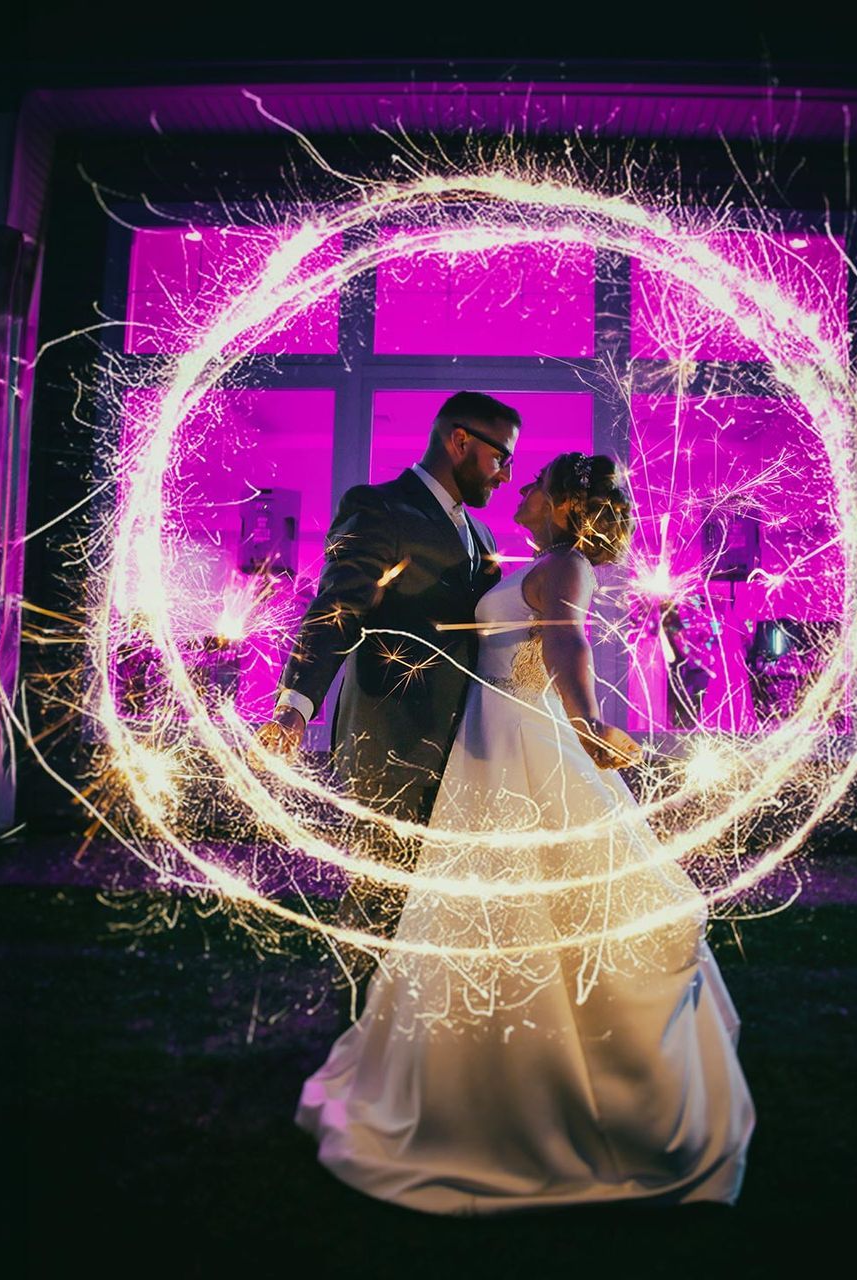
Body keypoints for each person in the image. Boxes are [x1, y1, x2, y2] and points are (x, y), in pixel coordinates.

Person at [294, 451, 755, 1215]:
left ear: (569, 507)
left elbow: (568, 641)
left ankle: (552, 1101)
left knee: (544, 900)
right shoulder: (535, 560)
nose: (524, 490)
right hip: (492, 745)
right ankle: (486, 1082)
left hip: (529, 743)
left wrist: (587, 721)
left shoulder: (566, 564)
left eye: (537, 484)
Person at [256, 391, 521, 969]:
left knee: (436, 907)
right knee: (382, 900)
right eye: (502, 458)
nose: (506, 476)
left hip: (464, 747)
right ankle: (359, 1028)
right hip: (391, 737)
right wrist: (295, 705)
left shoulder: (485, 539)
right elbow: (337, 608)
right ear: (460, 441)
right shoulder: (378, 507)